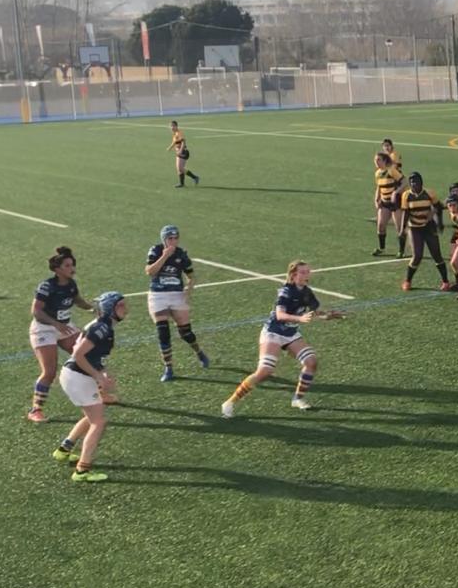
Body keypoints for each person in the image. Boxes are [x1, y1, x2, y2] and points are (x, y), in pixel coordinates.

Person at [221, 261, 344, 417]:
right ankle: (230, 402)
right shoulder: (285, 292)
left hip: (290, 334)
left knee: (311, 362)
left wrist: (329, 315)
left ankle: (298, 398)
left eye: (308, 272)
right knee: (265, 371)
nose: (307, 275)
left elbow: (317, 312)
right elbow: (280, 315)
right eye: (303, 272)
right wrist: (300, 319)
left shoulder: (307, 292)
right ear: (294, 275)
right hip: (273, 333)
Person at [52, 291, 128, 482]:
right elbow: (78, 355)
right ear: (110, 309)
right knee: (99, 422)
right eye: (120, 306)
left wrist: (104, 373)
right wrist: (98, 377)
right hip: (78, 377)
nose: (125, 309)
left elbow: (95, 356)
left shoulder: (103, 326)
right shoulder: (101, 329)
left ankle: (64, 449)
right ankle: (82, 470)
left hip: (77, 376)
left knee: (92, 416)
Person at [27, 246, 93, 422]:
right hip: (44, 329)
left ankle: (100, 394)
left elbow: (78, 301)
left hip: (65, 327)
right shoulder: (47, 286)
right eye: (67, 265)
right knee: (49, 372)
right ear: (57, 269)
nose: (72, 269)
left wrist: (94, 307)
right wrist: (56, 324)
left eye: (72, 265)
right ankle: (35, 410)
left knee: (88, 355)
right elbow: (36, 311)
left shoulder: (71, 284)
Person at [145, 225, 210, 383]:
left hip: (176, 295)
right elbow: (149, 271)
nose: (173, 241)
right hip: (158, 295)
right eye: (170, 238)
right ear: (164, 239)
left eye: (175, 238)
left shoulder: (181, 254)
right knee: (163, 331)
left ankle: (199, 352)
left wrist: (189, 289)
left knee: (186, 333)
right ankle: (169, 367)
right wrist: (164, 256)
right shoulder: (156, 250)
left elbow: (191, 275)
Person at [397, 172, 452, 292]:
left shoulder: (429, 193)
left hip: (428, 227)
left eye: (416, 181)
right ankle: (407, 281)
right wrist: (402, 229)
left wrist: (440, 223)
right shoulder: (406, 195)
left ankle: (445, 282)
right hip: (414, 228)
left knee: (436, 255)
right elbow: (405, 213)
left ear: (421, 182)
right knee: (417, 256)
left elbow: (438, 207)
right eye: (411, 182)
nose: (413, 184)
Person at [372, 151, 406, 258]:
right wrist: (376, 198)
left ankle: (401, 250)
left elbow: (405, 181)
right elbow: (379, 186)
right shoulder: (377, 173)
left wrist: (396, 192)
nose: (376, 162)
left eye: (379, 160)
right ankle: (382, 248)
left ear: (385, 161)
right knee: (381, 225)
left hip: (395, 203)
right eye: (375, 160)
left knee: (399, 227)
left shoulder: (391, 170)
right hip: (384, 202)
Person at [168, 121, 200, 188]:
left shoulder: (179, 133)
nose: (172, 127)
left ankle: (195, 177)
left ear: (176, 126)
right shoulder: (175, 134)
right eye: (171, 126)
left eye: (173, 126)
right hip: (179, 152)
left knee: (181, 168)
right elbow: (175, 142)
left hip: (183, 152)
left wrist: (180, 150)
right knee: (178, 169)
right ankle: (182, 183)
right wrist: (170, 147)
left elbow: (183, 142)